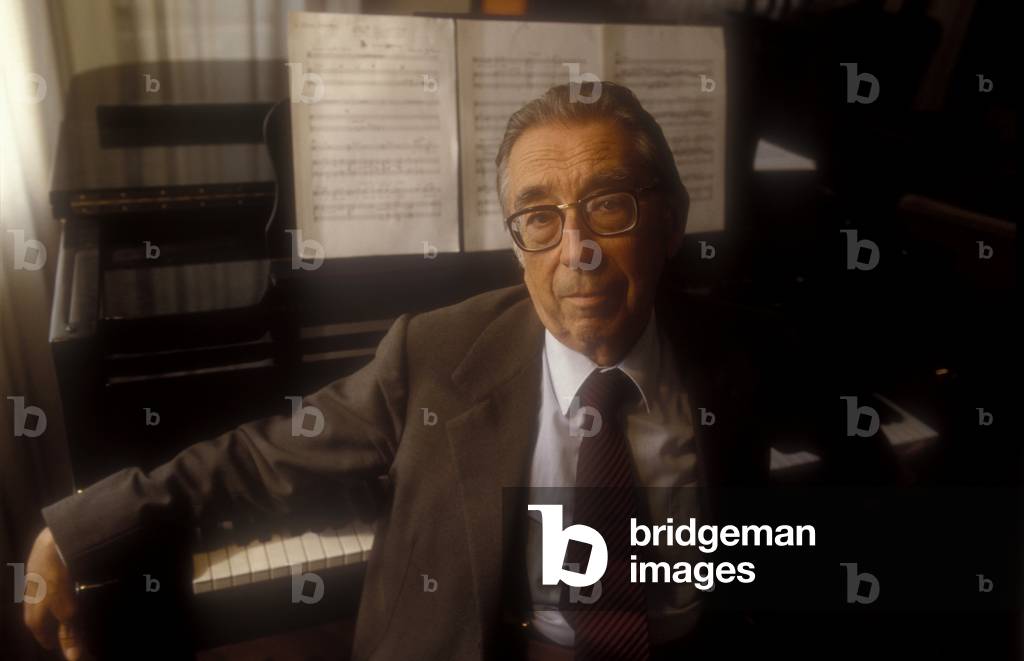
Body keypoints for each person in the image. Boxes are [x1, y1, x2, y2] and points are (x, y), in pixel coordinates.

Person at [24, 82, 786, 660]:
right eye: (540, 217)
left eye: (609, 204)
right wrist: (83, 528)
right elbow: (264, 456)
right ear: (518, 242)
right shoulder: (436, 351)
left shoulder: (736, 350)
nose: (575, 249)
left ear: (673, 219)